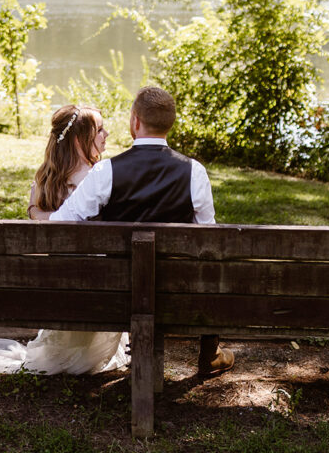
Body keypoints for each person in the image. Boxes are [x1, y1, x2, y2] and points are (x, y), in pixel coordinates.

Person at [50, 86, 234, 375]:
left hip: (118, 292)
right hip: (175, 293)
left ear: (135, 121)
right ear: (170, 124)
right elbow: (207, 239)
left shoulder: (105, 171)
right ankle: (210, 351)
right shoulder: (194, 171)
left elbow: (59, 224)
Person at [0, 104, 131, 375]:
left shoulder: (43, 182)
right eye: (100, 129)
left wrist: (34, 212)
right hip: (98, 290)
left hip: (54, 289)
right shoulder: (99, 178)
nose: (106, 134)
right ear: (80, 139)